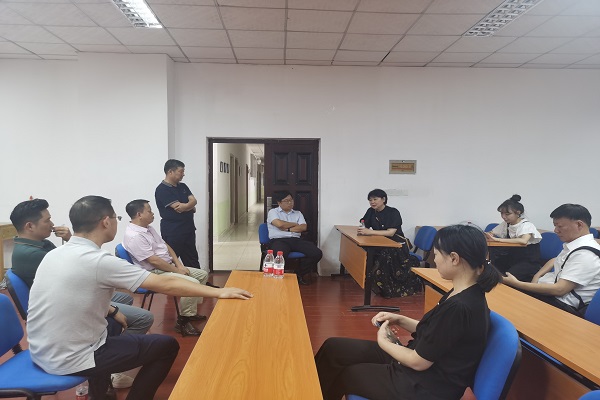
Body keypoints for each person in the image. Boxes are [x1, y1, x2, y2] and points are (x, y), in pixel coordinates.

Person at [27, 195, 252, 400]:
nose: (117, 222)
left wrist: (113, 311)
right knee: (166, 346)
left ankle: (102, 392)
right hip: (69, 358)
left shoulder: (54, 254)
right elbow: (165, 283)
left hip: (41, 350)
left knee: (115, 323)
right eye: (116, 218)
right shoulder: (98, 260)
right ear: (105, 222)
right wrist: (219, 291)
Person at [315, 224, 502, 400]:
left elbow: (418, 362)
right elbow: (437, 333)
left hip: (428, 386)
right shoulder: (462, 292)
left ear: (454, 258)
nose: (435, 259)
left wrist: (383, 341)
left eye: (437, 254)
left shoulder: (460, 306)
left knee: (351, 374)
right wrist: (399, 319)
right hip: (420, 363)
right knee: (334, 348)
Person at [9, 198, 154, 389]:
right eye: (47, 220)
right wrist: (112, 310)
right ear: (30, 226)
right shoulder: (31, 255)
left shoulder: (39, 245)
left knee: (124, 297)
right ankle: (113, 369)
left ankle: (105, 356)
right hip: (63, 306)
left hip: (73, 293)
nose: (52, 224)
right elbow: (72, 274)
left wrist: (70, 238)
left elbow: (73, 262)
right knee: (142, 317)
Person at [123, 199, 209, 336]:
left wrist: (179, 264)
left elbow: (165, 245)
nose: (153, 213)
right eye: (149, 211)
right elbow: (154, 261)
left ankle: (189, 313)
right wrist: (177, 270)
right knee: (192, 283)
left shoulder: (148, 228)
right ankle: (183, 322)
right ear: (139, 215)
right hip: (153, 273)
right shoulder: (135, 236)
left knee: (202, 274)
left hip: (167, 267)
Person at [503, 204, 600, 316]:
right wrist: (537, 276)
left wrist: (517, 283)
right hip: (550, 293)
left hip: (561, 305)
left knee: (509, 299)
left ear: (579, 224)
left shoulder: (585, 254)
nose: (555, 230)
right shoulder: (575, 245)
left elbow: (560, 290)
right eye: (555, 226)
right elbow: (555, 260)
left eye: (560, 226)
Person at [357, 189, 420, 298]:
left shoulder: (393, 212)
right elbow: (364, 223)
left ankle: (388, 288)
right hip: (381, 241)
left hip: (397, 244)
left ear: (383, 199)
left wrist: (369, 232)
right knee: (367, 250)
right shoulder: (371, 211)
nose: (372, 202)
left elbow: (391, 232)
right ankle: (373, 282)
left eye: (375, 199)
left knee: (383, 254)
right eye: (370, 200)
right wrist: (363, 227)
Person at [266, 190, 323, 285]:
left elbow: (303, 227)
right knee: (280, 254)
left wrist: (288, 229)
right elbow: (279, 224)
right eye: (286, 201)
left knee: (316, 253)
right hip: (279, 240)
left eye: (291, 200)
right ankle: (279, 278)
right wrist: (295, 224)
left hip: (296, 240)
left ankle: (299, 274)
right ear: (279, 203)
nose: (290, 203)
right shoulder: (273, 212)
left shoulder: (298, 213)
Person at [155, 159, 201, 269]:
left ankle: (198, 279)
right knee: (171, 261)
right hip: (173, 231)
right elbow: (178, 207)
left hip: (188, 229)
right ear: (170, 172)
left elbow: (194, 201)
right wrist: (190, 207)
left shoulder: (183, 186)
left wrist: (187, 206)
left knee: (192, 259)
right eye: (181, 171)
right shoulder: (162, 190)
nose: (183, 174)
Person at [485, 194, 542, 281]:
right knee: (492, 269)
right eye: (502, 213)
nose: (504, 217)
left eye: (507, 214)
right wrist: (489, 235)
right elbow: (492, 232)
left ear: (518, 213)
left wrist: (498, 239)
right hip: (512, 258)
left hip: (528, 262)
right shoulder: (506, 224)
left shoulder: (527, 225)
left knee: (507, 276)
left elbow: (523, 240)